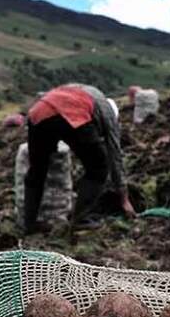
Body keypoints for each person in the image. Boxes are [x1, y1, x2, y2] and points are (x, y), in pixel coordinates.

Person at [23, 84, 135, 233]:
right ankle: (81, 219)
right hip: (70, 113)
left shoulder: (82, 91)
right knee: (99, 167)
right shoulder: (108, 114)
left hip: (38, 113)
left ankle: (29, 224)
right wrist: (124, 198)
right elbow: (115, 154)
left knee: (37, 171)